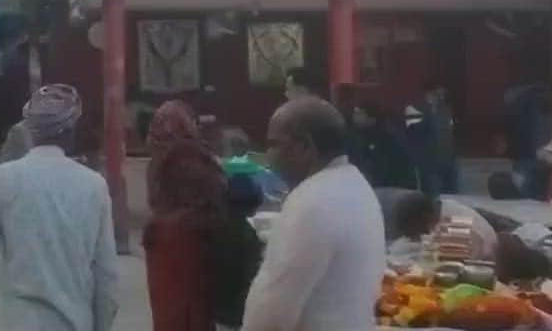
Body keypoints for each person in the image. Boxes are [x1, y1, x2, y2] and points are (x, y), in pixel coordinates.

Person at [0, 84, 118, 331]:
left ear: (29, 130)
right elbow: (106, 275)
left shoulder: (1, 180)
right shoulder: (94, 186)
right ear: (71, 130)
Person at [241, 98, 384, 331]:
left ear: (305, 146)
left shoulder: (311, 201)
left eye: (273, 144)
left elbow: (271, 313)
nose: (269, 155)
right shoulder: (356, 185)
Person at [145, 100, 226, 331]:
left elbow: (154, 201)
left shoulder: (157, 162)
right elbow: (216, 200)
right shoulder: (194, 158)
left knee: (168, 313)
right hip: (190, 244)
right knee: (192, 311)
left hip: (162, 245)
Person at [208, 174, 265, 331]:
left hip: (214, 309)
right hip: (237, 314)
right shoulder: (247, 235)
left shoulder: (214, 227)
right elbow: (251, 276)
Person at [385, 190, 498, 261]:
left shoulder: (453, 223)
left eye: (413, 231)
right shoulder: (442, 208)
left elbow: (471, 255)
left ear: (425, 217)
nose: (414, 236)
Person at [348, 102, 416, 189]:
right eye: (355, 113)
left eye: (360, 113)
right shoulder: (354, 137)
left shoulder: (386, 138)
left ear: (372, 118)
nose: (355, 116)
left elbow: (384, 166)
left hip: (389, 186)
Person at [423, 81, 459, 194]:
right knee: (436, 194)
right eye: (438, 94)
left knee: (452, 194)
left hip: (449, 158)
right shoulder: (418, 109)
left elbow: (451, 131)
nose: (441, 97)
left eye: (443, 94)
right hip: (432, 160)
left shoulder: (447, 110)